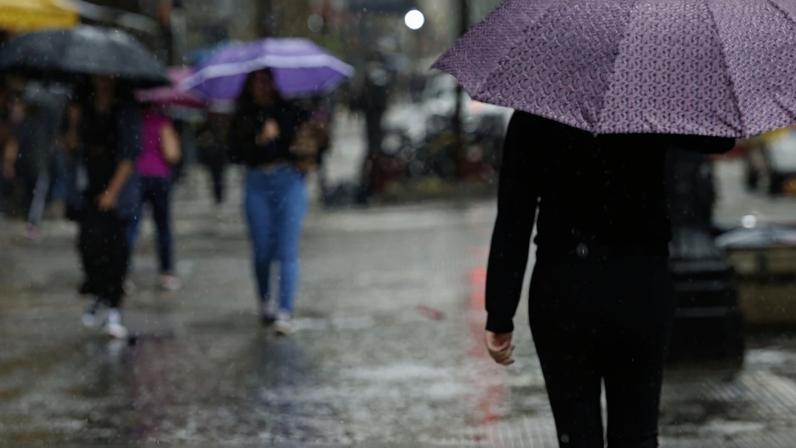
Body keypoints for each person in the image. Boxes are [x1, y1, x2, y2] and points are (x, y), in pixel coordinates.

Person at [484, 111, 734, 448]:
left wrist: (500, 313)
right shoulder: (648, 101)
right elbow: (720, 138)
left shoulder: (536, 111)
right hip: (638, 288)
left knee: (576, 434)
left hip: (563, 289)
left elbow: (514, 216)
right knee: (636, 433)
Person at [228, 69, 314, 335]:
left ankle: (285, 309)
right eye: (257, 81)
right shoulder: (243, 115)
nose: (262, 87)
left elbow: (310, 147)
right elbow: (235, 153)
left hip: (288, 181)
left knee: (287, 248)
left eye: (267, 81)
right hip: (257, 183)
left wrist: (287, 140)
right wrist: (259, 140)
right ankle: (266, 301)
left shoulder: (292, 111)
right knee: (262, 248)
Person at [65, 76, 141, 339]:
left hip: (119, 190)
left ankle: (114, 308)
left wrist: (113, 192)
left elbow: (129, 155)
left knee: (116, 250)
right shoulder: (83, 107)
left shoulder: (125, 110)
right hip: (90, 186)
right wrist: (73, 123)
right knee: (88, 244)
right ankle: (99, 293)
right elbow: (71, 146)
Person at [128, 104, 181, 291]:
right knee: (163, 226)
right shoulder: (162, 121)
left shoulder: (131, 120)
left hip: (136, 176)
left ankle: (124, 270)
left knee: (132, 226)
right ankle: (167, 272)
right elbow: (172, 154)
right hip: (159, 177)